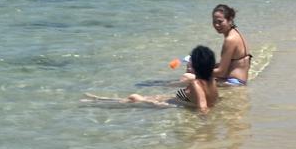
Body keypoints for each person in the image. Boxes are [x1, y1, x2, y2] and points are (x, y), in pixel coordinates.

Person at [91, 45, 220, 112]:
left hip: (174, 104)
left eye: (191, 60)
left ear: (196, 66)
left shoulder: (196, 84)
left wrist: (205, 130)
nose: (188, 62)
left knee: (134, 97)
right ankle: (100, 100)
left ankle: (100, 103)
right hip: (178, 99)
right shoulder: (212, 80)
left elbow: (203, 107)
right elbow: (213, 99)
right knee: (148, 97)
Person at [208, 3, 252, 86]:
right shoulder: (236, 32)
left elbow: (221, 72)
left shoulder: (230, 40)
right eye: (214, 22)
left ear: (230, 20)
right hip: (239, 81)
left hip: (233, 83)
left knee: (191, 81)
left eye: (220, 22)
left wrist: (198, 72)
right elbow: (232, 63)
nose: (217, 25)